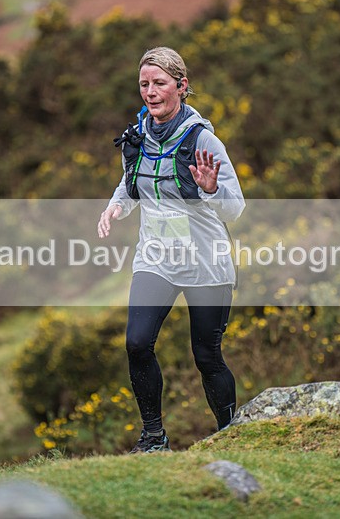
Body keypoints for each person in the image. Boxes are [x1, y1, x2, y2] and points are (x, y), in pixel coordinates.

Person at [97, 46, 245, 453]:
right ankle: (153, 437)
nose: (150, 91)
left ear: (181, 86)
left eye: (159, 83)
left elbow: (235, 208)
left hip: (206, 263)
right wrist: (115, 207)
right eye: (144, 84)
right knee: (137, 343)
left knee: (207, 355)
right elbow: (131, 182)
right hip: (156, 259)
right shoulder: (137, 136)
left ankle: (231, 437)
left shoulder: (204, 141)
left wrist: (212, 189)